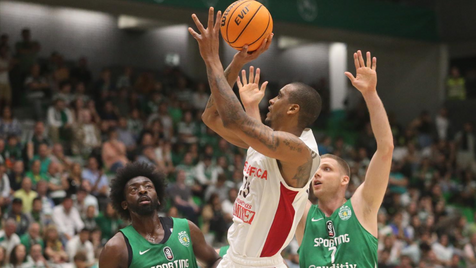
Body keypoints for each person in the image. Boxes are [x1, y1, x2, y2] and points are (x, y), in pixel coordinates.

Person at [189, 8, 321, 267]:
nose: (271, 99)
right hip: (234, 258)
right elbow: (211, 116)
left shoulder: (300, 151)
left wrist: (212, 59)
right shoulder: (265, 141)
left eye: (280, 96)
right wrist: (238, 61)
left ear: (294, 109)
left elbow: (233, 119)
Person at [295, 51, 394, 268]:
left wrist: (370, 93)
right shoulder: (302, 214)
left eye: (327, 169)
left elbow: (385, 149)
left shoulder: (362, 206)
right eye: (316, 170)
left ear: (345, 180)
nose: (317, 173)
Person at [99, 162, 221, 268]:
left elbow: (216, 260)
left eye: (148, 186)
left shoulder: (186, 228)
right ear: (124, 204)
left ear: (158, 198)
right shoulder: (116, 247)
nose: (142, 190)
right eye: (134, 189)